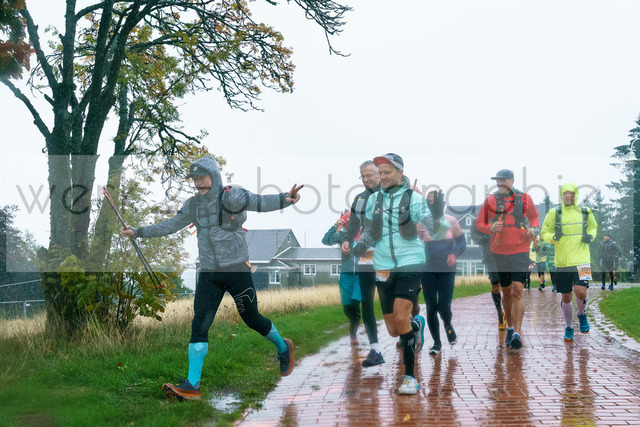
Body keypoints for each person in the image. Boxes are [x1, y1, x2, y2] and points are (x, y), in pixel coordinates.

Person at [121, 156, 303, 401]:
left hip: (236, 269)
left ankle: (283, 347)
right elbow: (171, 225)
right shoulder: (193, 205)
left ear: (214, 176)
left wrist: (284, 199)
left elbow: (258, 201)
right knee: (199, 324)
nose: (198, 183)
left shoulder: (232, 196)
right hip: (208, 272)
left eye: (202, 178)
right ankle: (192, 385)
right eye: (195, 179)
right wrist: (138, 232)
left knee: (252, 319)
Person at [348, 153, 449, 395]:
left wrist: (438, 215)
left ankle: (410, 378)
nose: (382, 177)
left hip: (410, 262)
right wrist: (361, 244)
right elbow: (370, 230)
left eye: (386, 172)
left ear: (400, 173)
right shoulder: (374, 201)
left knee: (401, 319)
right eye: (380, 173)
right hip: (383, 267)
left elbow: (436, 232)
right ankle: (417, 325)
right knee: (394, 329)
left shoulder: (413, 199)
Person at [476, 169, 539, 350]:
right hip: (499, 251)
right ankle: (510, 327)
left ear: (512, 181)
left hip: (520, 249)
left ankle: (517, 333)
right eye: (497, 180)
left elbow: (534, 218)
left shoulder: (525, 198)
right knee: (506, 292)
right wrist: (491, 228)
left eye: (503, 180)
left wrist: (533, 229)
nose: (500, 183)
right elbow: (479, 223)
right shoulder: (490, 200)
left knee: (517, 290)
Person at [342, 160, 385, 368]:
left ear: (379, 174)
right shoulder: (359, 199)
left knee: (390, 303)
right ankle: (375, 349)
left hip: (387, 257)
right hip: (365, 257)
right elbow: (353, 225)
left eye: (369, 175)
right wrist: (347, 241)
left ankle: (410, 328)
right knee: (366, 302)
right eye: (363, 176)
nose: (366, 179)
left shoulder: (389, 195)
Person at [541, 183, 597, 342]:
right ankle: (569, 327)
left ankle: (582, 314)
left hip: (582, 260)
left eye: (571, 193)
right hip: (562, 262)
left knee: (581, 292)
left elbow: (593, 227)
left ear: (575, 195)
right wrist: (553, 238)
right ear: (561, 195)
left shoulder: (585, 211)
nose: (568, 196)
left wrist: (590, 236)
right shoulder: (554, 213)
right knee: (566, 296)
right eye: (565, 193)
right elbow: (544, 232)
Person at [420, 191, 466, 355]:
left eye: (435, 201)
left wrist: (454, 253)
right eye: (429, 201)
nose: (432, 204)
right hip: (427, 269)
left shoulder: (451, 221)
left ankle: (448, 325)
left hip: (447, 269)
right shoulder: (422, 222)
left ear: (442, 203)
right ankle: (436, 343)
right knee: (431, 306)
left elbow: (462, 242)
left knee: (444, 307)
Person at [322, 211, 362, 346]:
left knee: (355, 303)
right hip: (346, 275)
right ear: (344, 224)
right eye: (348, 222)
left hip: (360, 275)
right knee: (347, 307)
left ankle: (353, 334)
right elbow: (325, 240)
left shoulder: (364, 235)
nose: (351, 225)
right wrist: (335, 226)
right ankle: (354, 320)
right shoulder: (342, 235)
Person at [470, 211, 506, 330]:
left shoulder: (505, 214)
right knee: (495, 286)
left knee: (508, 286)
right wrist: (484, 238)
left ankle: (509, 313)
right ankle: (500, 312)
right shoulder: (480, 218)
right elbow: (474, 234)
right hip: (490, 256)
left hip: (507, 255)